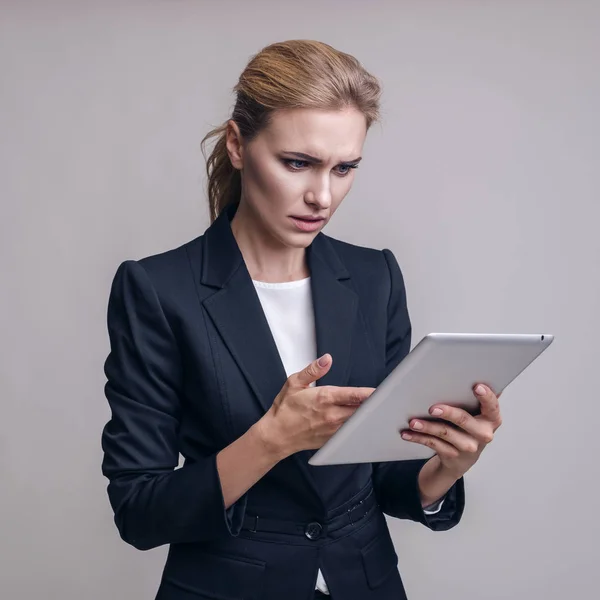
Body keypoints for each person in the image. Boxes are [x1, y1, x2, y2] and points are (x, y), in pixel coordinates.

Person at [101, 39, 502, 600]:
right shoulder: (158, 290)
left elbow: (382, 475)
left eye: (345, 168)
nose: (322, 195)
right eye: (298, 163)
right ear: (239, 146)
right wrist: (270, 439)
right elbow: (139, 512)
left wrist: (448, 466)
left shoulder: (374, 277)